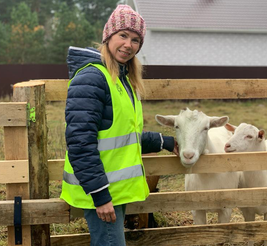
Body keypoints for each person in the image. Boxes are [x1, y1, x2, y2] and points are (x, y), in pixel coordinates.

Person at [60, 5, 178, 246]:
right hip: (101, 191)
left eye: (136, 40)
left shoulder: (121, 79)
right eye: (123, 35)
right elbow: (80, 142)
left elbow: (122, 135)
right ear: (108, 36)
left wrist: (164, 141)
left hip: (112, 190)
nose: (129, 45)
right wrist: (100, 195)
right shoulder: (92, 78)